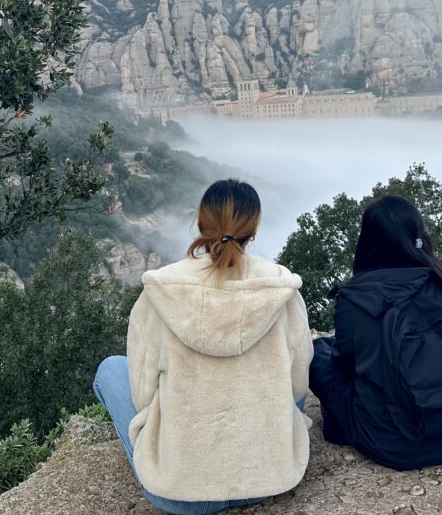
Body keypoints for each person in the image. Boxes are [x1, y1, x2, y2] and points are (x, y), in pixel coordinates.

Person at [93, 179, 313, 515]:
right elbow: (298, 386)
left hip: (179, 494)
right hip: (273, 479)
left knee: (110, 368)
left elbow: (142, 395)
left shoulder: (161, 290)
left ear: (200, 225)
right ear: (252, 231)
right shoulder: (282, 288)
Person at [310, 194, 442, 470]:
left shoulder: (356, 297)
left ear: (368, 241)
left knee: (318, 353)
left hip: (397, 444)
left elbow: (344, 363)